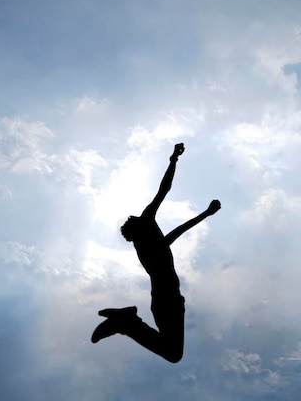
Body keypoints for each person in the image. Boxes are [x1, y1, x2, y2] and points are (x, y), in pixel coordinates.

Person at [91, 143, 221, 362]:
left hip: (164, 297)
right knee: (172, 353)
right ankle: (127, 322)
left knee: (172, 352)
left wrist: (206, 214)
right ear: (137, 224)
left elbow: (179, 230)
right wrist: (173, 159)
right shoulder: (146, 224)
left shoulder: (150, 247)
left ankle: (128, 322)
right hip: (167, 296)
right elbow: (164, 189)